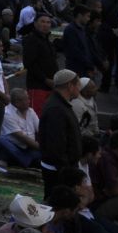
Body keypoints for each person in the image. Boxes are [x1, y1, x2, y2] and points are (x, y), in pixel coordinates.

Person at [36, 68, 84, 197]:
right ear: (70, 86)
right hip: (58, 171)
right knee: (58, 204)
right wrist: (67, 171)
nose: (80, 88)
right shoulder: (56, 109)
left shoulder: (60, 104)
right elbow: (56, 145)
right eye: (78, 84)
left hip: (63, 168)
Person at [0, 87, 41, 167]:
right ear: (17, 102)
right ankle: (27, 161)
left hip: (30, 147)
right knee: (1, 140)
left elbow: (41, 129)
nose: (29, 101)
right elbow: (21, 137)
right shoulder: (7, 114)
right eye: (26, 99)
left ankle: (21, 160)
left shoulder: (31, 111)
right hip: (16, 147)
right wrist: (40, 147)